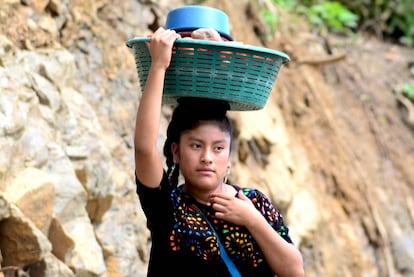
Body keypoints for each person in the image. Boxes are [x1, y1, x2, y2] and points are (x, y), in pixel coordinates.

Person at [134, 27, 304, 277]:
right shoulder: (169, 208)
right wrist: (159, 66)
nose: (207, 157)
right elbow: (144, 149)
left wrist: (252, 220)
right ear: (176, 152)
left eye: (218, 148)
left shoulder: (254, 202)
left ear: (229, 158)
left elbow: (294, 271)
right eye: (195, 145)